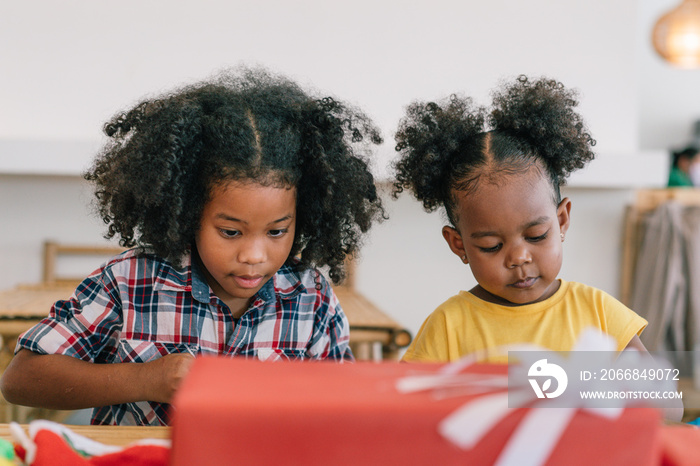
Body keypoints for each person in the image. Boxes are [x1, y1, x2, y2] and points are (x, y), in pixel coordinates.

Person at [0, 67, 385, 425]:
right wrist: (145, 380)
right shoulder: (130, 281)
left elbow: (343, 408)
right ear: (186, 214)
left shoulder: (311, 297)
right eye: (230, 232)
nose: (254, 255)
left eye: (276, 232)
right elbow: (21, 379)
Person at [393, 76, 649, 362]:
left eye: (537, 235)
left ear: (562, 220)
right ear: (458, 244)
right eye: (491, 245)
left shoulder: (599, 312)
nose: (518, 258)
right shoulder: (447, 327)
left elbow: (668, 405)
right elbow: (409, 405)